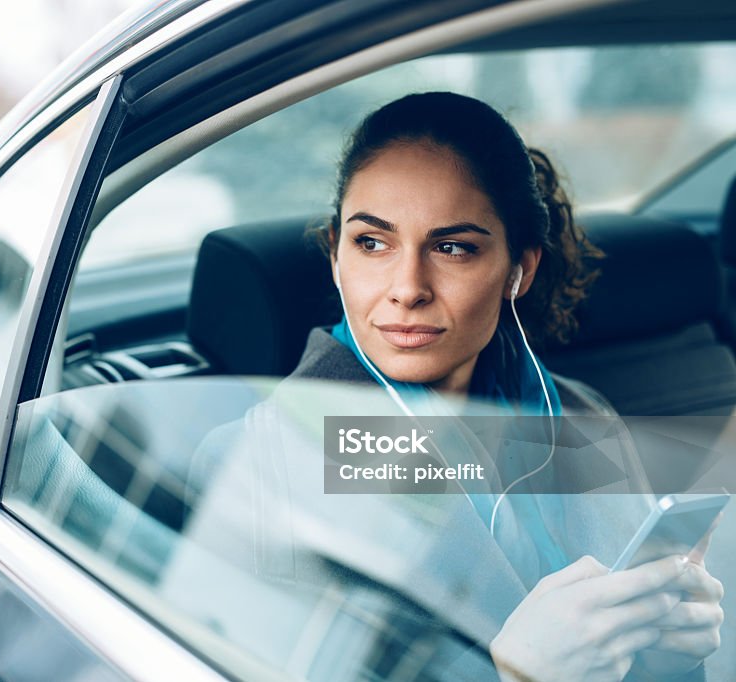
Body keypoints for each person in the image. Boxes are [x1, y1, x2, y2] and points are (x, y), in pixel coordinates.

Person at [289, 92, 724, 681]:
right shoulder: (272, 453)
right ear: (336, 257)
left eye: (453, 248)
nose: (407, 287)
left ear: (520, 270)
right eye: (372, 243)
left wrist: (668, 656)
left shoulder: (581, 415)